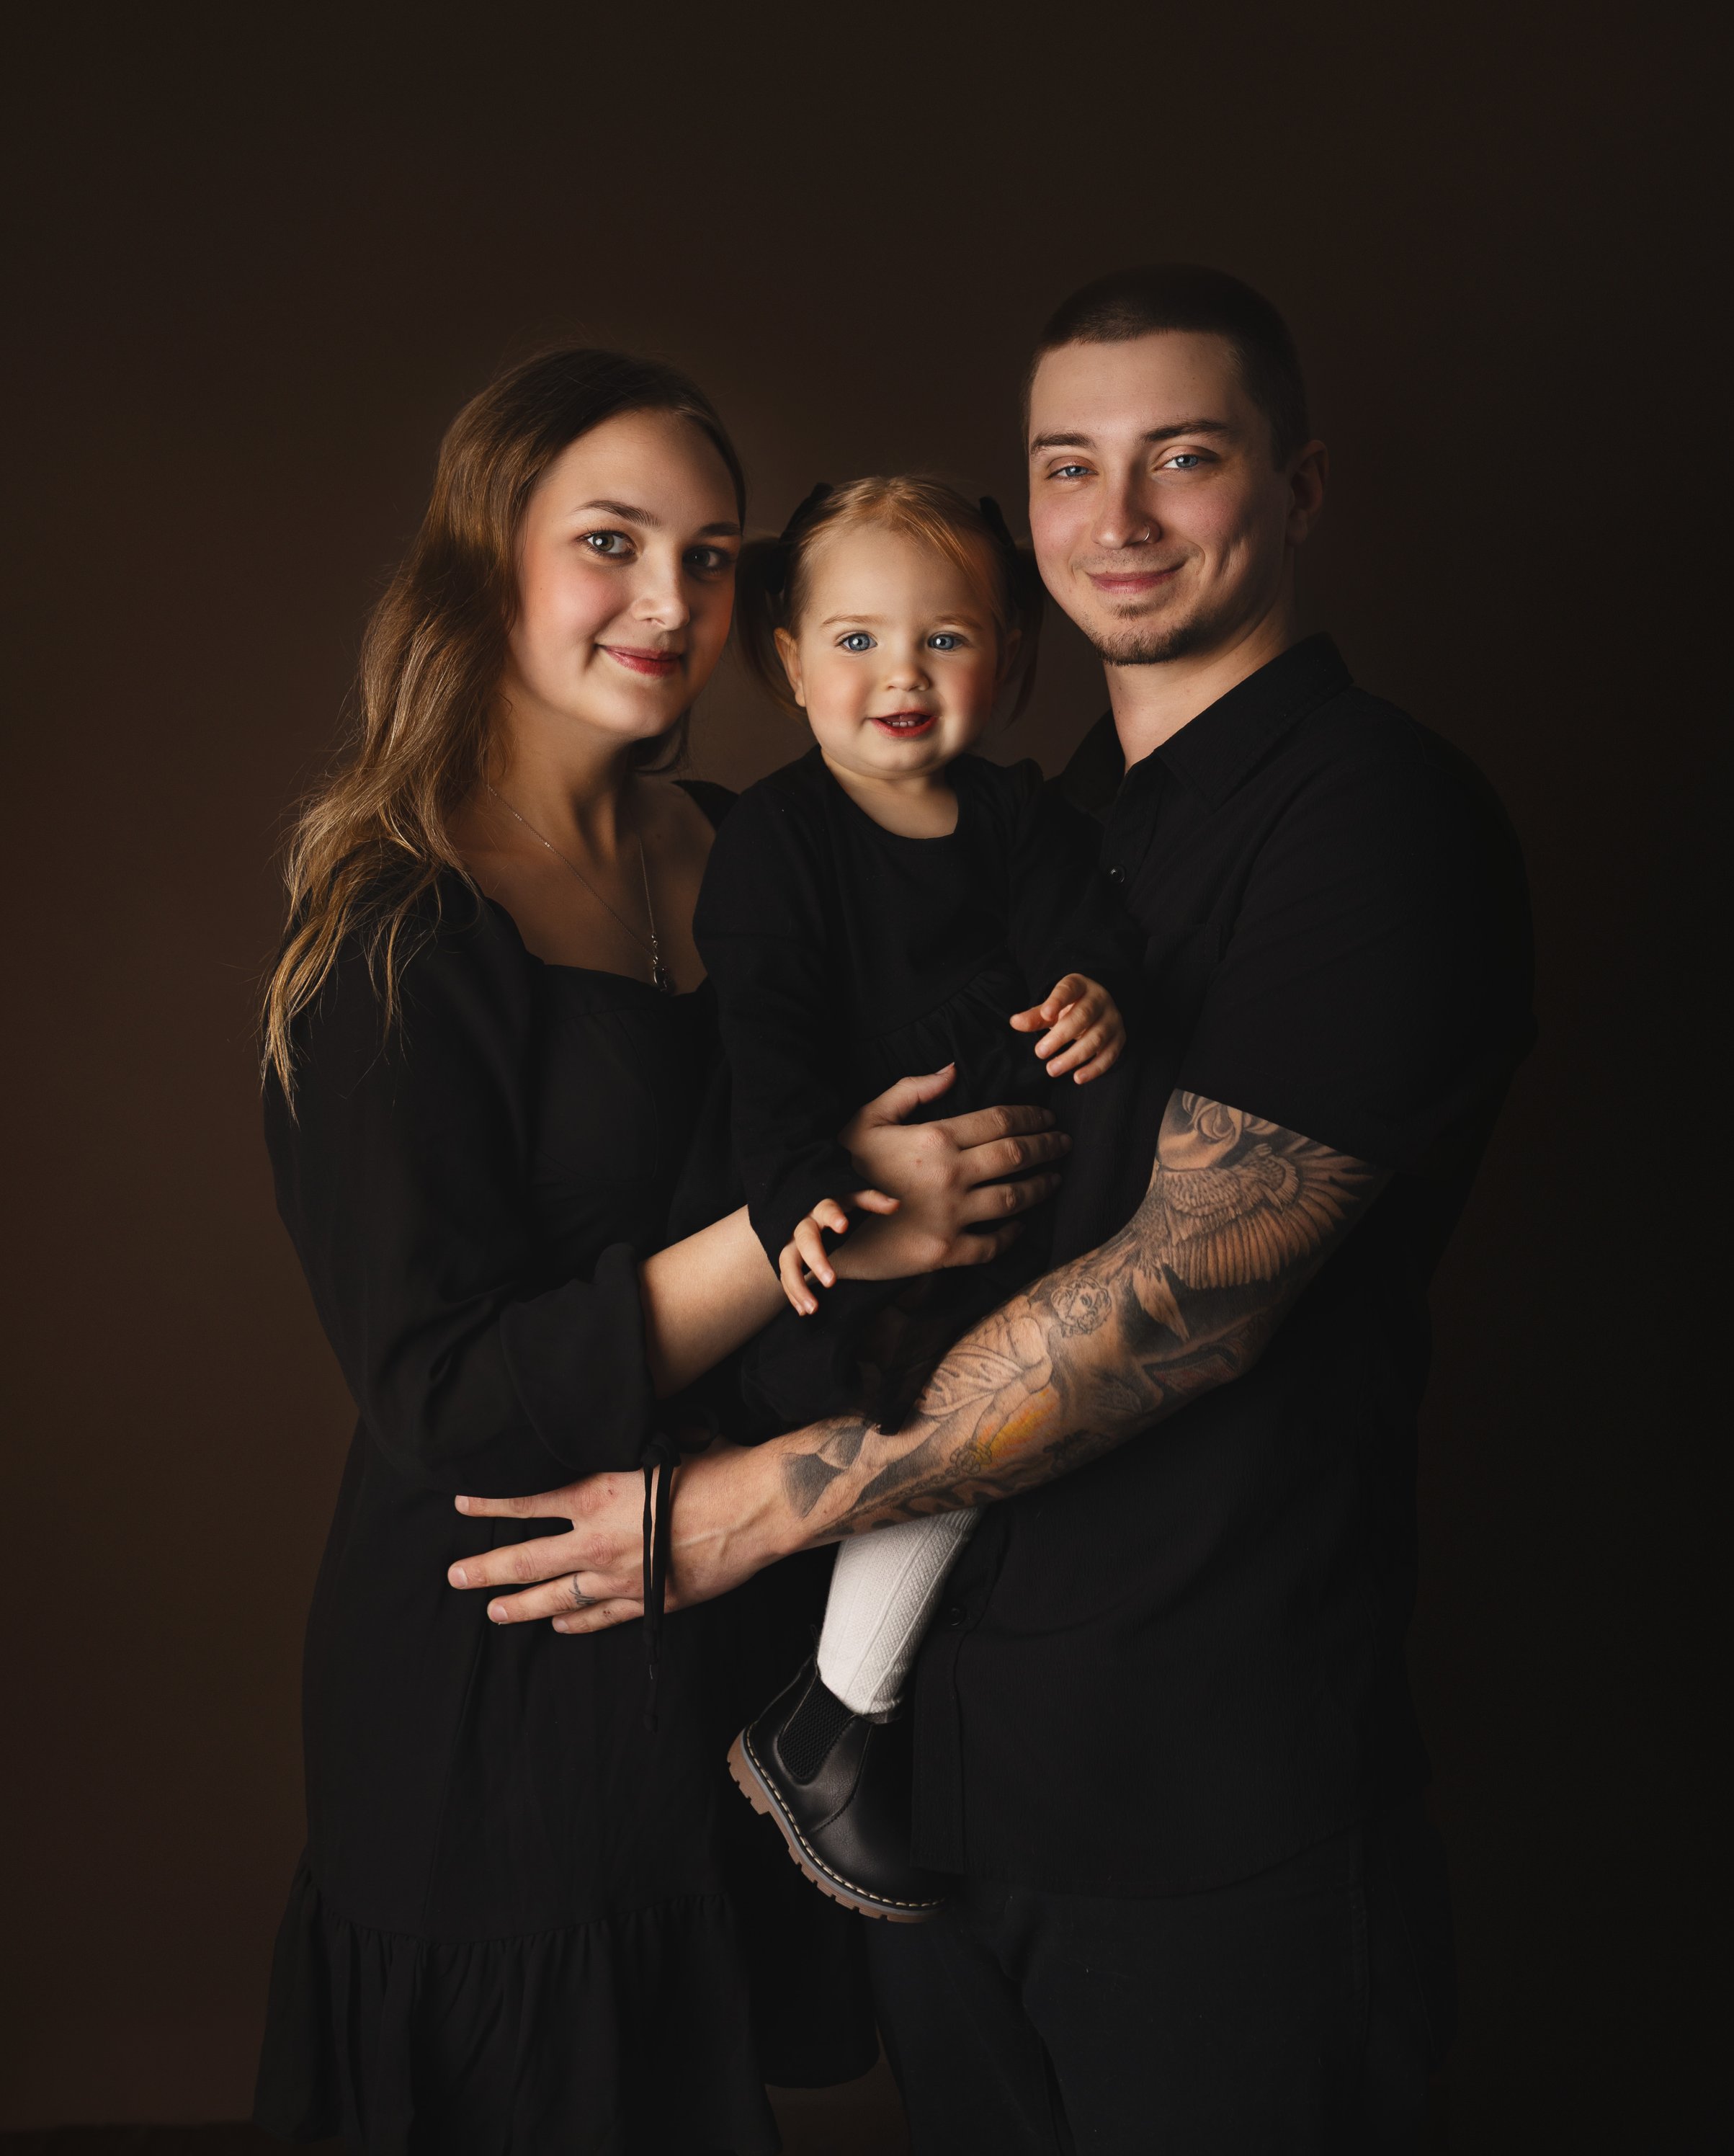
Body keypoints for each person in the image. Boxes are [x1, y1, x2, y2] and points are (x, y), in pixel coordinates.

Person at [447, 267, 1535, 2152]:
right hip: (942, 1794)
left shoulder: (1372, 821)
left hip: (1204, 1808)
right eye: (1064, 467)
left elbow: (1177, 1309)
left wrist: (732, 1515)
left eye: (1181, 459)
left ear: (1298, 488)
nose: (1113, 521)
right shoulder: (1044, 825)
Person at [252, 347, 1071, 2156]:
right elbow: (441, 1393)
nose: (668, 602)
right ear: (485, 561)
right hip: (500, 1650)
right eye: (609, 543)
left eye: (711, 558)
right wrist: (821, 1225)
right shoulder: (398, 926)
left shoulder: (744, 850)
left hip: (722, 1613)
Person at [692, 476, 1134, 1920]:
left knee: (1047, 1440)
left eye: (942, 642)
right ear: (786, 661)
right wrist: (805, 1198)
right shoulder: (779, 839)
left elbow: (1079, 932)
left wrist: (1089, 994)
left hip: (1015, 1210)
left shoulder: (1015, 818)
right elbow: (758, 1044)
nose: (899, 680)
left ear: (1008, 659)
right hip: (867, 1237)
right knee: (950, 1442)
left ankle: (873, 1735)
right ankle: (825, 1725)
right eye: (856, 642)